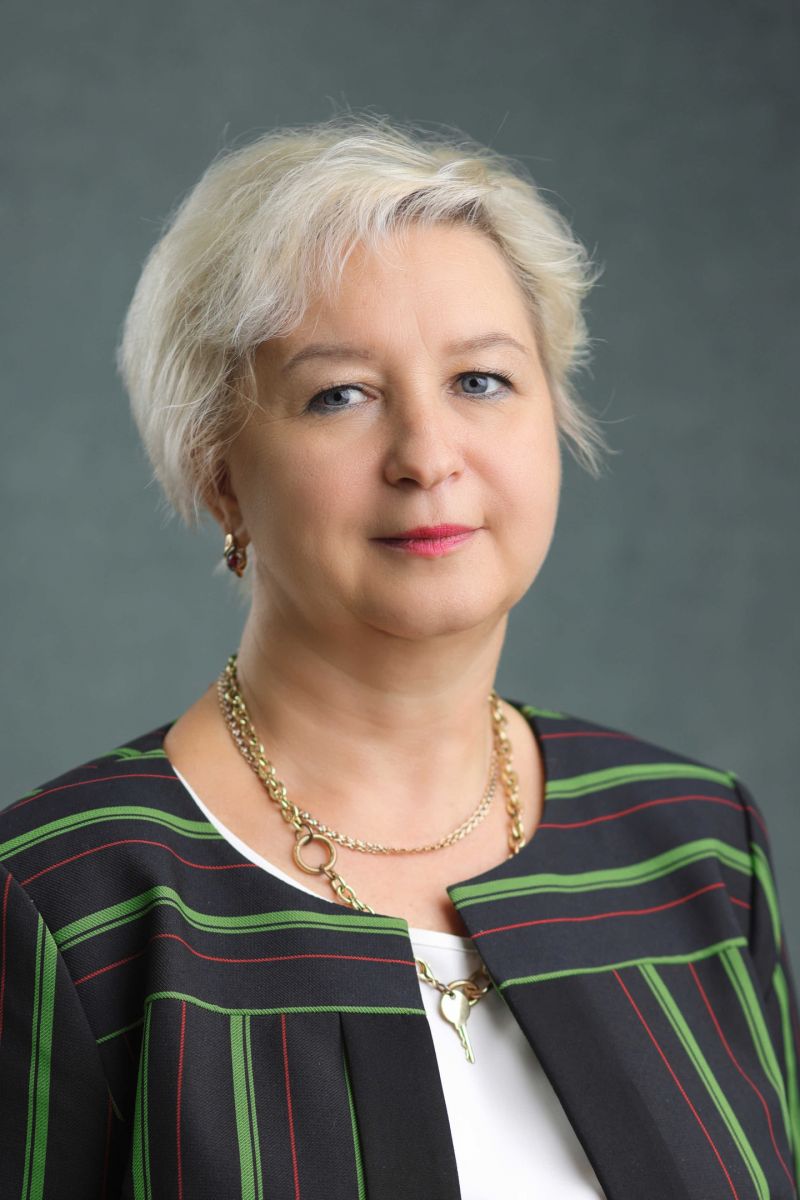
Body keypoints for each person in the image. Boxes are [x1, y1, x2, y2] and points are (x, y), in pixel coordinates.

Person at [1, 114, 798, 1200]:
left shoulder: (697, 844)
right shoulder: (62, 903)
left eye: (480, 380)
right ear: (220, 473)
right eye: (341, 394)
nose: (427, 456)